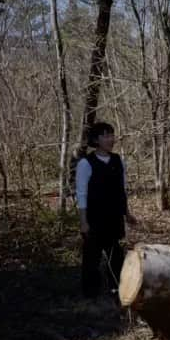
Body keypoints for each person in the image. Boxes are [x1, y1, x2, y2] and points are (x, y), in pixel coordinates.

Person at [75, 123, 137, 298]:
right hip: (94, 219)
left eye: (112, 135)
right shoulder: (86, 164)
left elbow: (121, 190)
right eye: (106, 136)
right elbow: (81, 194)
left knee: (116, 257)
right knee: (91, 259)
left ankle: (117, 291)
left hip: (114, 218)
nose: (111, 139)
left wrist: (127, 213)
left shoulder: (117, 160)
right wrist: (83, 222)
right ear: (96, 140)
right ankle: (90, 295)